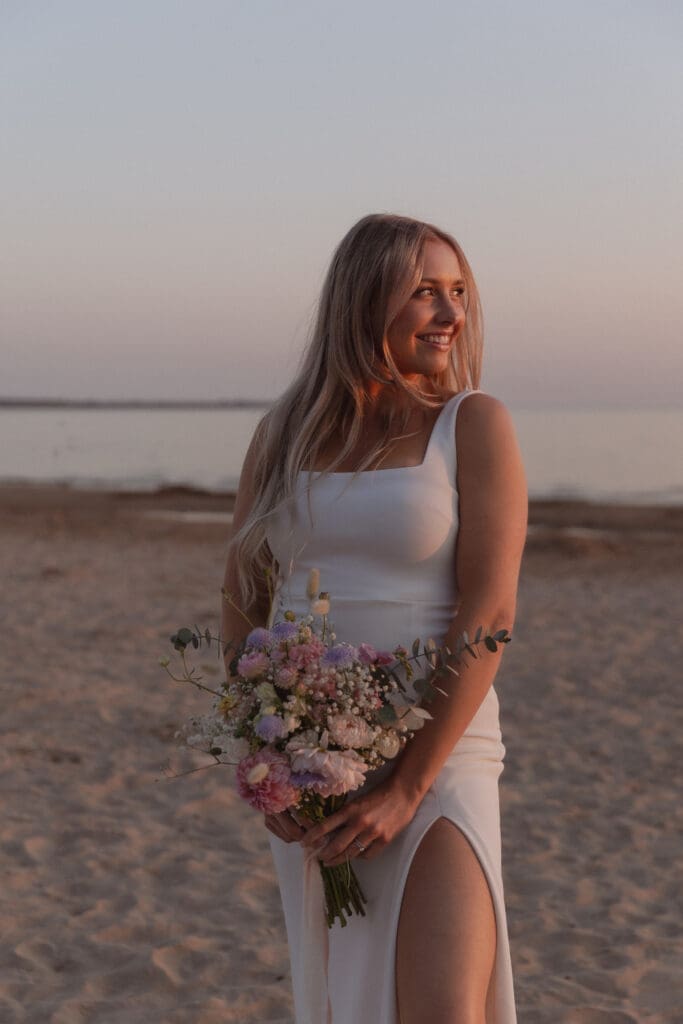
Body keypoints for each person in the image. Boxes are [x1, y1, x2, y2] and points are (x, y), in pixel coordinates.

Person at [221, 213, 527, 1024]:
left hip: (443, 757)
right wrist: (264, 758)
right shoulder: (280, 437)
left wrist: (406, 786)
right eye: (424, 291)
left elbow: (490, 611)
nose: (450, 313)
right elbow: (242, 605)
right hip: (316, 762)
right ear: (364, 299)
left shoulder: (473, 424)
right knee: (345, 998)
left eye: (457, 291)